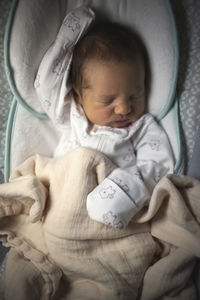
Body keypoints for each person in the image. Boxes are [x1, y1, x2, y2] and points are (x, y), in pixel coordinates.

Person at [53, 22, 174, 229]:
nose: (124, 109)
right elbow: (45, 79)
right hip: (63, 202)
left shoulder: (141, 128)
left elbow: (157, 167)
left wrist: (122, 190)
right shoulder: (71, 115)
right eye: (108, 101)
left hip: (115, 211)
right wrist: (70, 31)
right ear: (78, 96)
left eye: (135, 95)